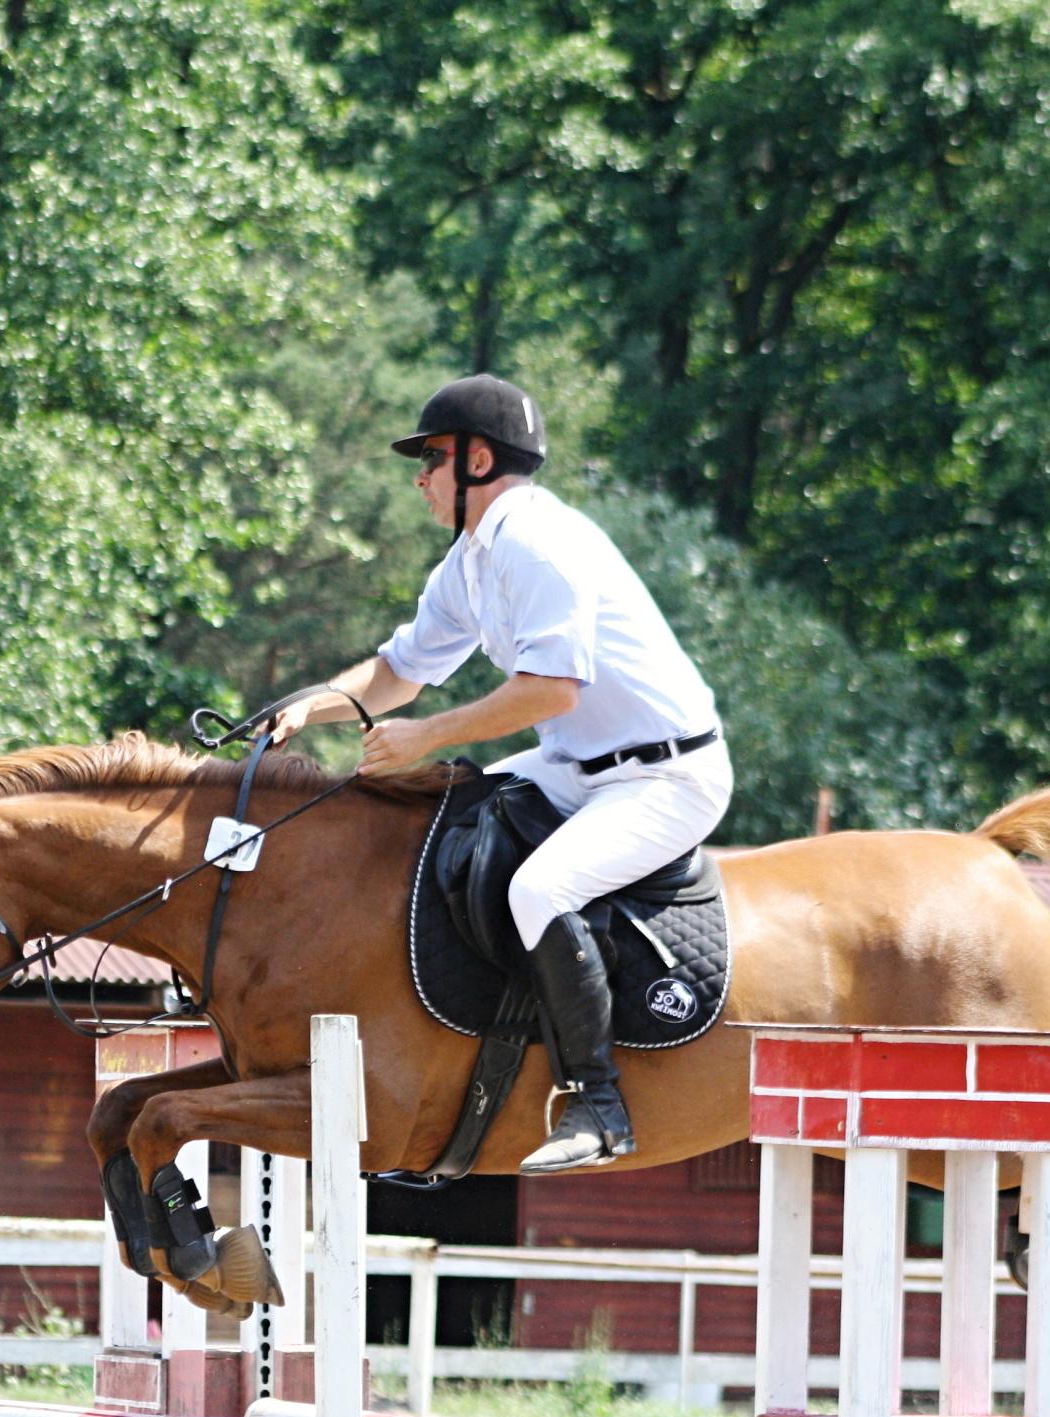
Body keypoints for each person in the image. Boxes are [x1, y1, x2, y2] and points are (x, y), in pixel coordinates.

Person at [268, 374, 732, 1172]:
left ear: (478, 462)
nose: (420, 477)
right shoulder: (472, 561)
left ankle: (599, 1104)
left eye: (432, 459)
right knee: (442, 817)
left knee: (538, 890)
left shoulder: (539, 544)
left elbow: (552, 690)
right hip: (575, 765)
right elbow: (399, 672)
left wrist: (424, 737)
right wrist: (309, 706)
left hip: (665, 779)